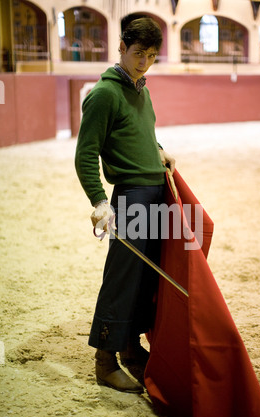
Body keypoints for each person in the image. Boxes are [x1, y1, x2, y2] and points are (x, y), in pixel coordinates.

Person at [75, 16, 175, 393]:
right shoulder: (104, 94)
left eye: (151, 56)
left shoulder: (141, 90)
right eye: (138, 54)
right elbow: (85, 154)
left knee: (144, 279)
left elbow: (142, 132)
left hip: (154, 193)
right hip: (131, 196)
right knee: (122, 279)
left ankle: (131, 348)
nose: (144, 62)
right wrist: (100, 201)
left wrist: (158, 150)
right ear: (121, 47)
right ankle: (105, 361)